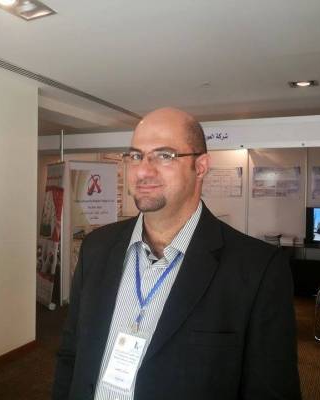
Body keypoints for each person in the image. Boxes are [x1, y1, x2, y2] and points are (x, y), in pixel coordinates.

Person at [52, 107, 301, 400]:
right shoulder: (96, 247)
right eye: (136, 156)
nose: (143, 171)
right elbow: (71, 352)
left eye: (164, 155)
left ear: (201, 166)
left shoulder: (258, 270)